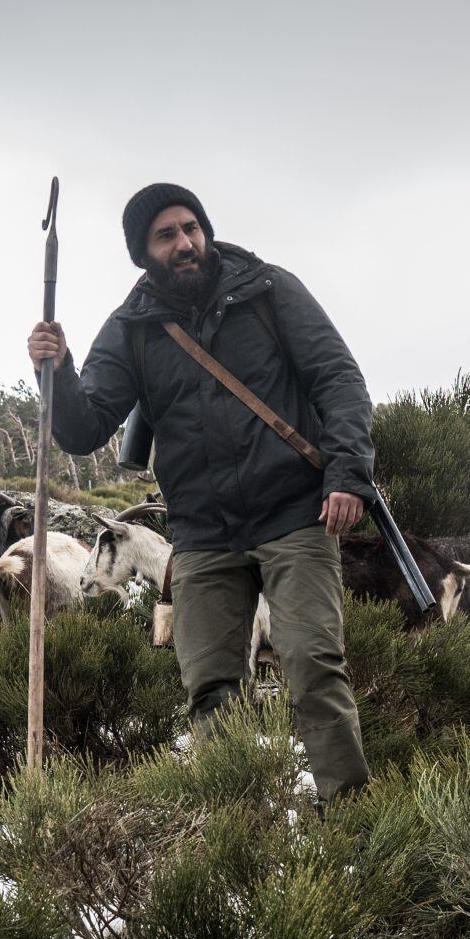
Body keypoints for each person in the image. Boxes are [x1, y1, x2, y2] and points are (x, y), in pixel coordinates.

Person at [26, 183, 379, 796]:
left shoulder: (269, 290)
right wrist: (57, 370)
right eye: (167, 235)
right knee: (211, 690)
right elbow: (84, 429)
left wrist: (348, 472)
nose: (186, 243)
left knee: (313, 670)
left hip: (294, 513)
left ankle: (350, 825)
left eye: (192, 228)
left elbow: (339, 379)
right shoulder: (132, 328)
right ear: (143, 252)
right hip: (203, 532)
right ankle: (236, 830)